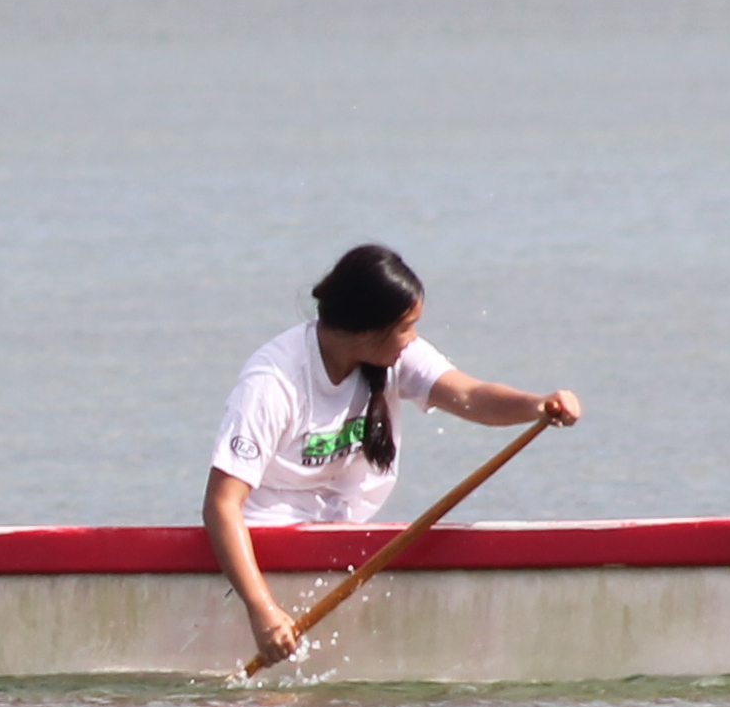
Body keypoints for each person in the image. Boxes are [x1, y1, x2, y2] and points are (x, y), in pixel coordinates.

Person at [202, 243, 581, 660]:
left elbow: (472, 396)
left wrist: (537, 406)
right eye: (406, 327)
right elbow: (221, 505)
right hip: (266, 549)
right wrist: (263, 611)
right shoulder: (272, 383)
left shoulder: (394, 353)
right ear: (366, 329)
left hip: (340, 538)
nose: (412, 338)